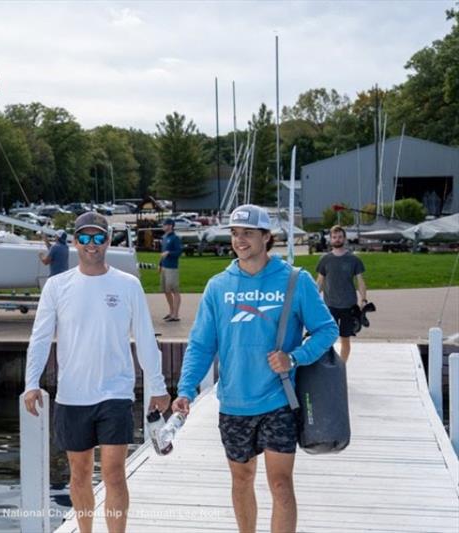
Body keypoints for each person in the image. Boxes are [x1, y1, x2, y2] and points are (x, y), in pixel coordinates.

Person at [172, 204, 337, 533]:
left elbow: (327, 329)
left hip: (278, 400)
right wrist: (185, 390)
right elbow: (202, 344)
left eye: (248, 232)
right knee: (242, 479)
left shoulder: (295, 280)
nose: (240, 239)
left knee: (280, 485)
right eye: (235, 233)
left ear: (266, 237)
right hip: (234, 403)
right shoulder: (218, 286)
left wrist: (294, 357)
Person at [24, 211, 170, 533]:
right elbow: (39, 337)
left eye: (99, 237)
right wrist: (31, 382)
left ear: (108, 240)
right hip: (72, 395)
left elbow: (145, 338)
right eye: (85, 238)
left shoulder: (127, 285)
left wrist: (157, 387)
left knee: (115, 473)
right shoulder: (57, 286)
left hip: (115, 392)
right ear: (75, 242)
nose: (92, 245)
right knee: (79, 473)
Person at [316, 224, 367, 362]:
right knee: (327, 339)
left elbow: (360, 281)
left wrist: (363, 299)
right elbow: (320, 281)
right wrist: (313, 300)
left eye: (339, 237)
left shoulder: (353, 260)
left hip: (348, 306)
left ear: (344, 238)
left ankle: (341, 368)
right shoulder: (325, 259)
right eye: (334, 237)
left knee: (345, 340)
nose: (337, 239)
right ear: (330, 240)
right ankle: (328, 367)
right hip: (329, 306)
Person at [159, 218, 182, 322]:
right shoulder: (164, 238)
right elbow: (162, 253)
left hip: (172, 268)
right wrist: (160, 264)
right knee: (166, 290)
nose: (163, 226)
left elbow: (179, 252)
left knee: (174, 290)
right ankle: (171, 311)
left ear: (170, 226)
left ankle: (175, 315)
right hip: (164, 267)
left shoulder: (175, 238)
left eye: (165, 224)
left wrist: (169, 253)